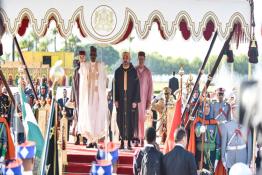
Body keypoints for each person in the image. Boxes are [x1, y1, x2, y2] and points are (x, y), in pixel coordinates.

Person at [78, 46, 108, 148]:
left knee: (96, 117)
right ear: (89, 55)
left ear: (96, 55)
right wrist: (82, 62)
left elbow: (104, 79)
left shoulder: (100, 65)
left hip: (97, 96)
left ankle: (95, 140)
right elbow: (81, 73)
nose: (93, 56)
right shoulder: (86, 65)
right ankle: (89, 140)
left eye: (94, 55)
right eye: (91, 55)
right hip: (88, 97)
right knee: (88, 117)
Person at [114, 51, 140, 150]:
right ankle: (121, 141)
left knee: (130, 120)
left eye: (127, 57)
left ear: (129, 59)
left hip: (130, 100)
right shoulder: (117, 71)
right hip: (121, 99)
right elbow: (115, 86)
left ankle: (128, 142)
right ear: (122, 58)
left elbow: (137, 87)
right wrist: (116, 99)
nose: (125, 59)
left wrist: (135, 101)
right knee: (120, 120)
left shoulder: (134, 71)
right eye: (124, 57)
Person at [188, 100, 221, 174]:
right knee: (201, 171)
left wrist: (217, 155)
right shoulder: (199, 120)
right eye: (205, 107)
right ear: (202, 108)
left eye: (208, 106)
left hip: (212, 153)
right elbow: (196, 131)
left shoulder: (214, 122)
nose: (206, 109)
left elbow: (218, 139)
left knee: (210, 172)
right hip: (201, 152)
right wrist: (200, 129)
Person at [221, 102, 252, 173]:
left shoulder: (246, 125)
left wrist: (248, 160)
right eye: (234, 109)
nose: (236, 112)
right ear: (232, 111)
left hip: (243, 156)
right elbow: (223, 144)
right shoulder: (226, 125)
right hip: (230, 157)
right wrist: (223, 159)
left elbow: (249, 145)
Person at [135, 51, 153, 147]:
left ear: (144, 59)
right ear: (138, 59)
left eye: (142, 59)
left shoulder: (148, 72)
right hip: (135, 100)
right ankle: (136, 138)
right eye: (139, 59)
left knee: (142, 119)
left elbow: (150, 87)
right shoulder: (134, 70)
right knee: (135, 119)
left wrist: (149, 101)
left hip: (144, 99)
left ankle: (142, 138)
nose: (141, 60)